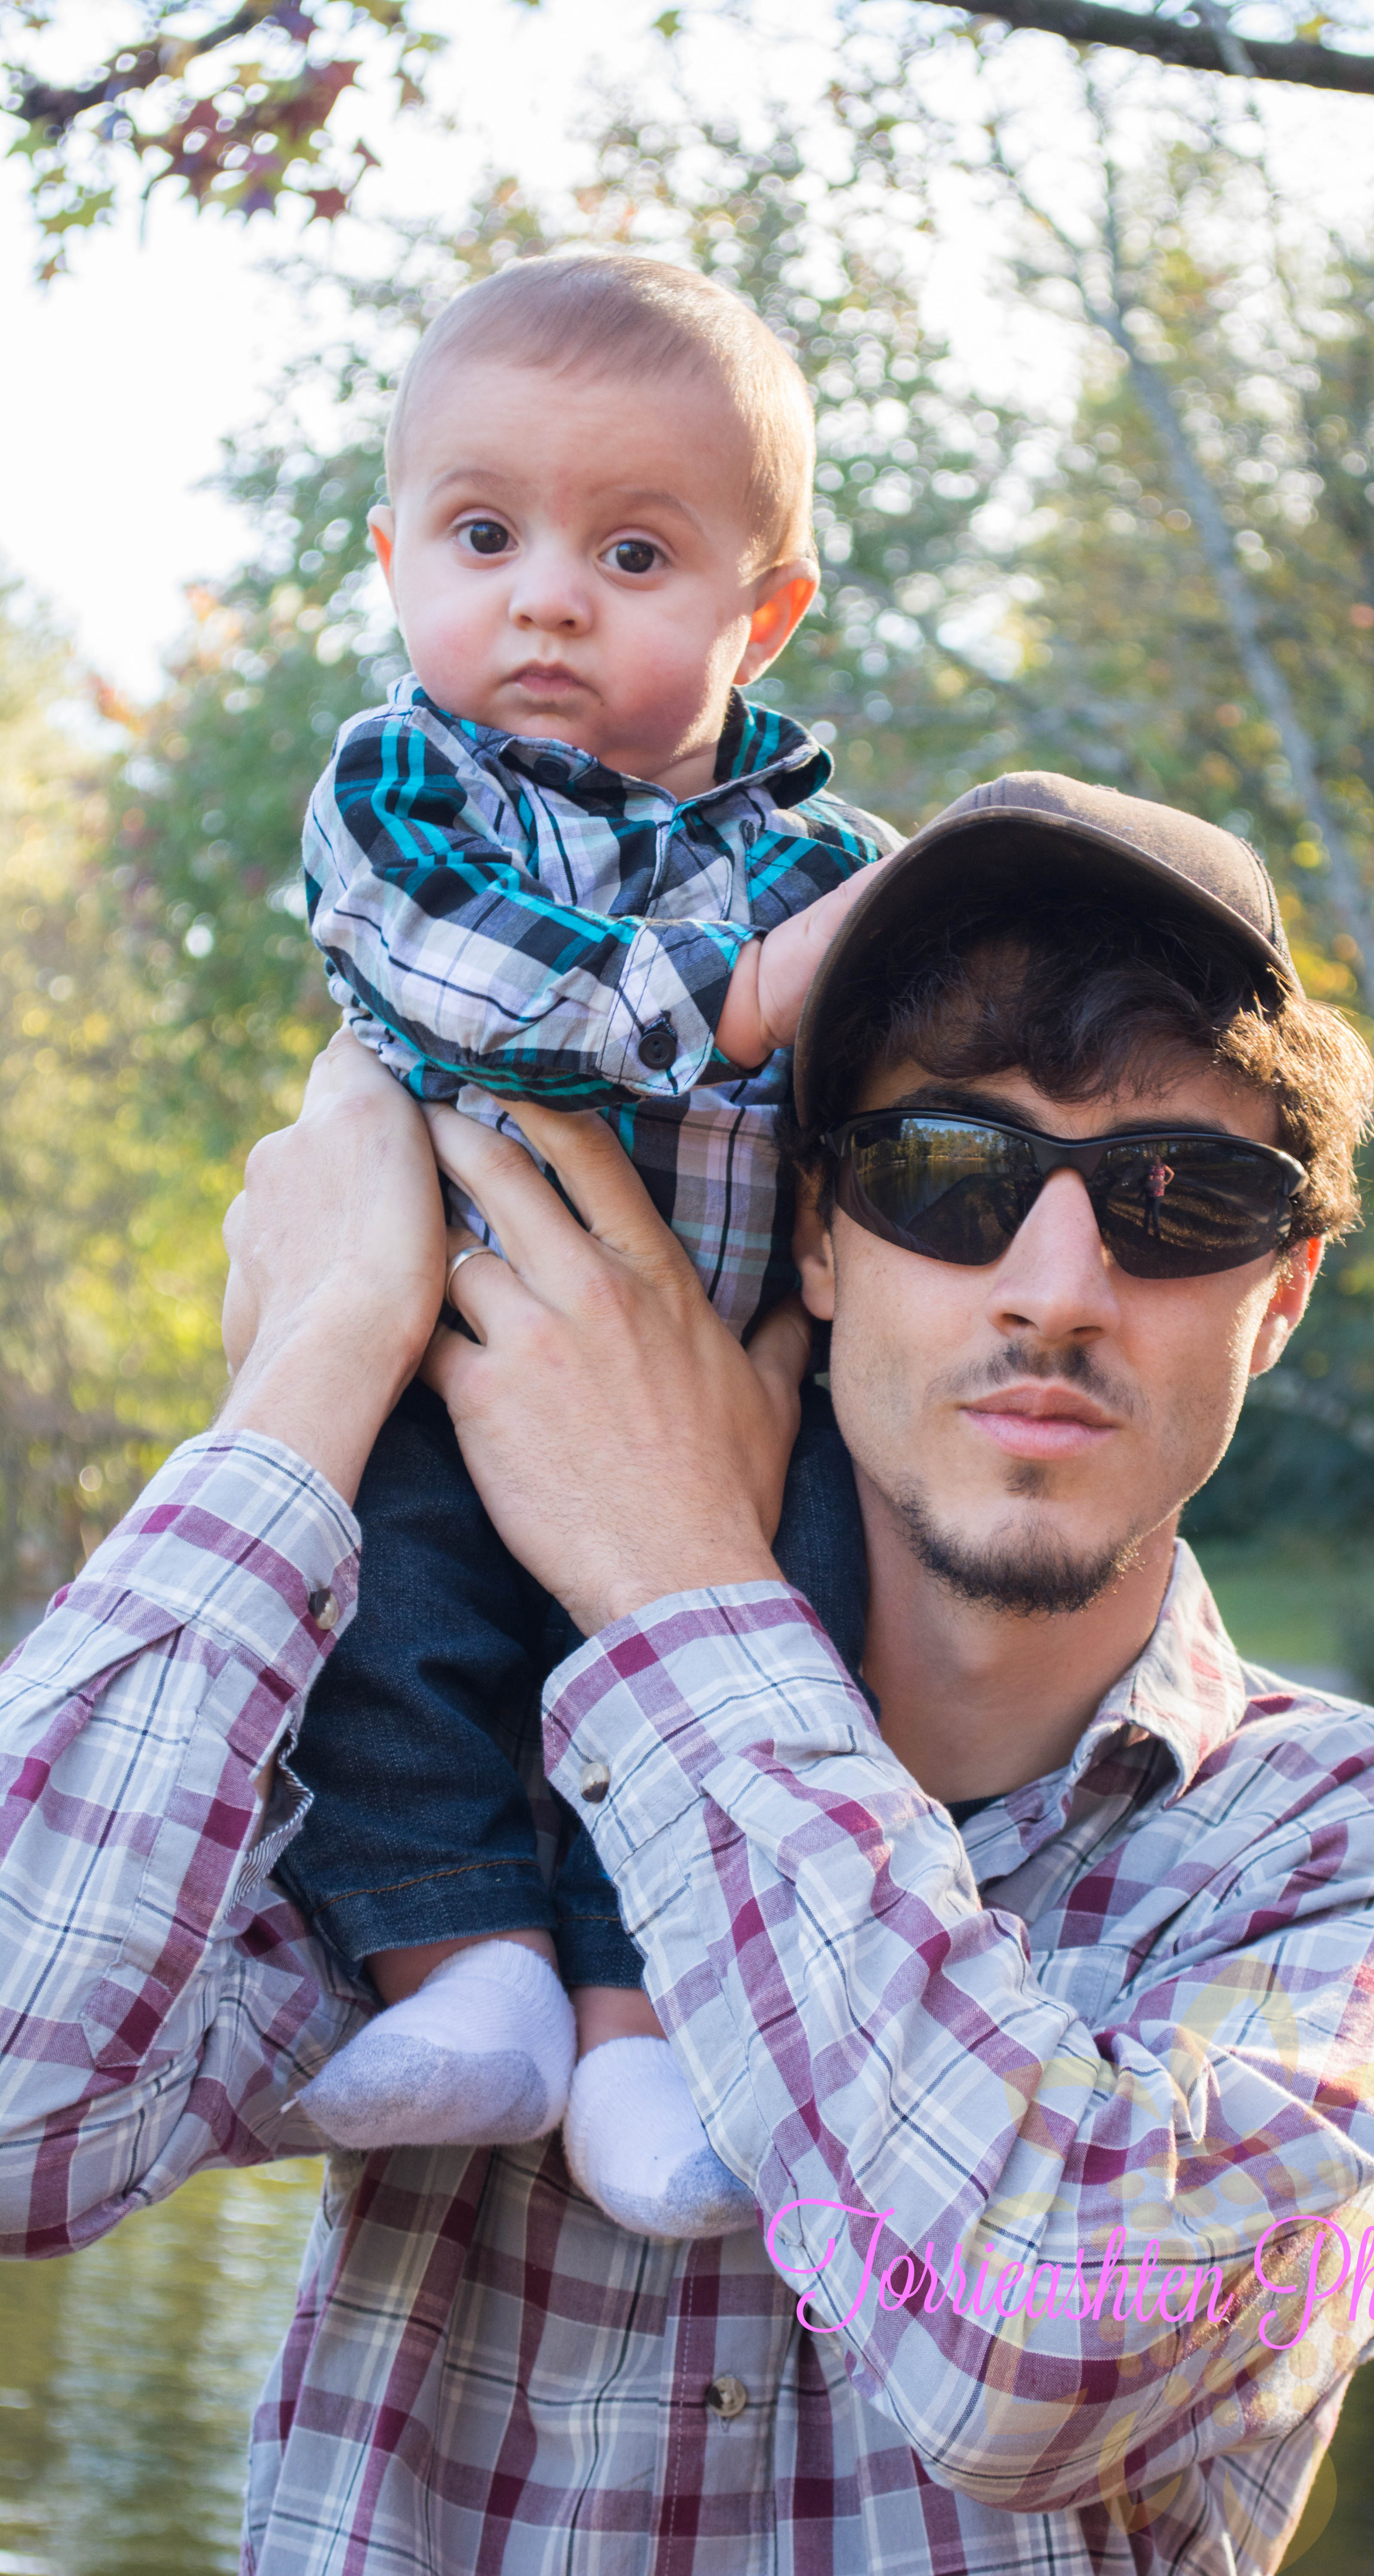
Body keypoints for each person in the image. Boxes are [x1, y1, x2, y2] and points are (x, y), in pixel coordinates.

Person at [0, 775, 1374, 2576]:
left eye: (1178, 1197)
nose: (1057, 1287)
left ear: (1280, 1292)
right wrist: (318, 1366)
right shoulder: (448, 1756)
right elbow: (23, 2127)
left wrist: (668, 1579)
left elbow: (1040, 2356)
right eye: (951, 1172)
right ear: (820, 1234)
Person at [284, 247, 896, 2228]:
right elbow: (469, 979)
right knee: (389, 1615)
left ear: (761, 611)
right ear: (399, 561)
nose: (546, 594)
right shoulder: (407, 783)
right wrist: (743, 996)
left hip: (738, 1394)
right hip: (455, 1363)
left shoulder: (832, 869)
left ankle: (641, 2025)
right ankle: (464, 1967)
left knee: (773, 1643)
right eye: (485, 536)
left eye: (634, 555)